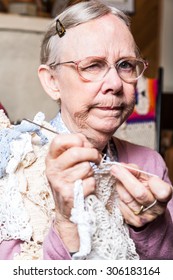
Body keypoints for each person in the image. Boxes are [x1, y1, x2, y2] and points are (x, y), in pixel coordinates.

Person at [0, 0, 173, 260]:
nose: (115, 83)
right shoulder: (15, 164)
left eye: (125, 64)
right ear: (52, 81)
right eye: (93, 65)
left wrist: (149, 226)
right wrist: (66, 223)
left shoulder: (150, 164)